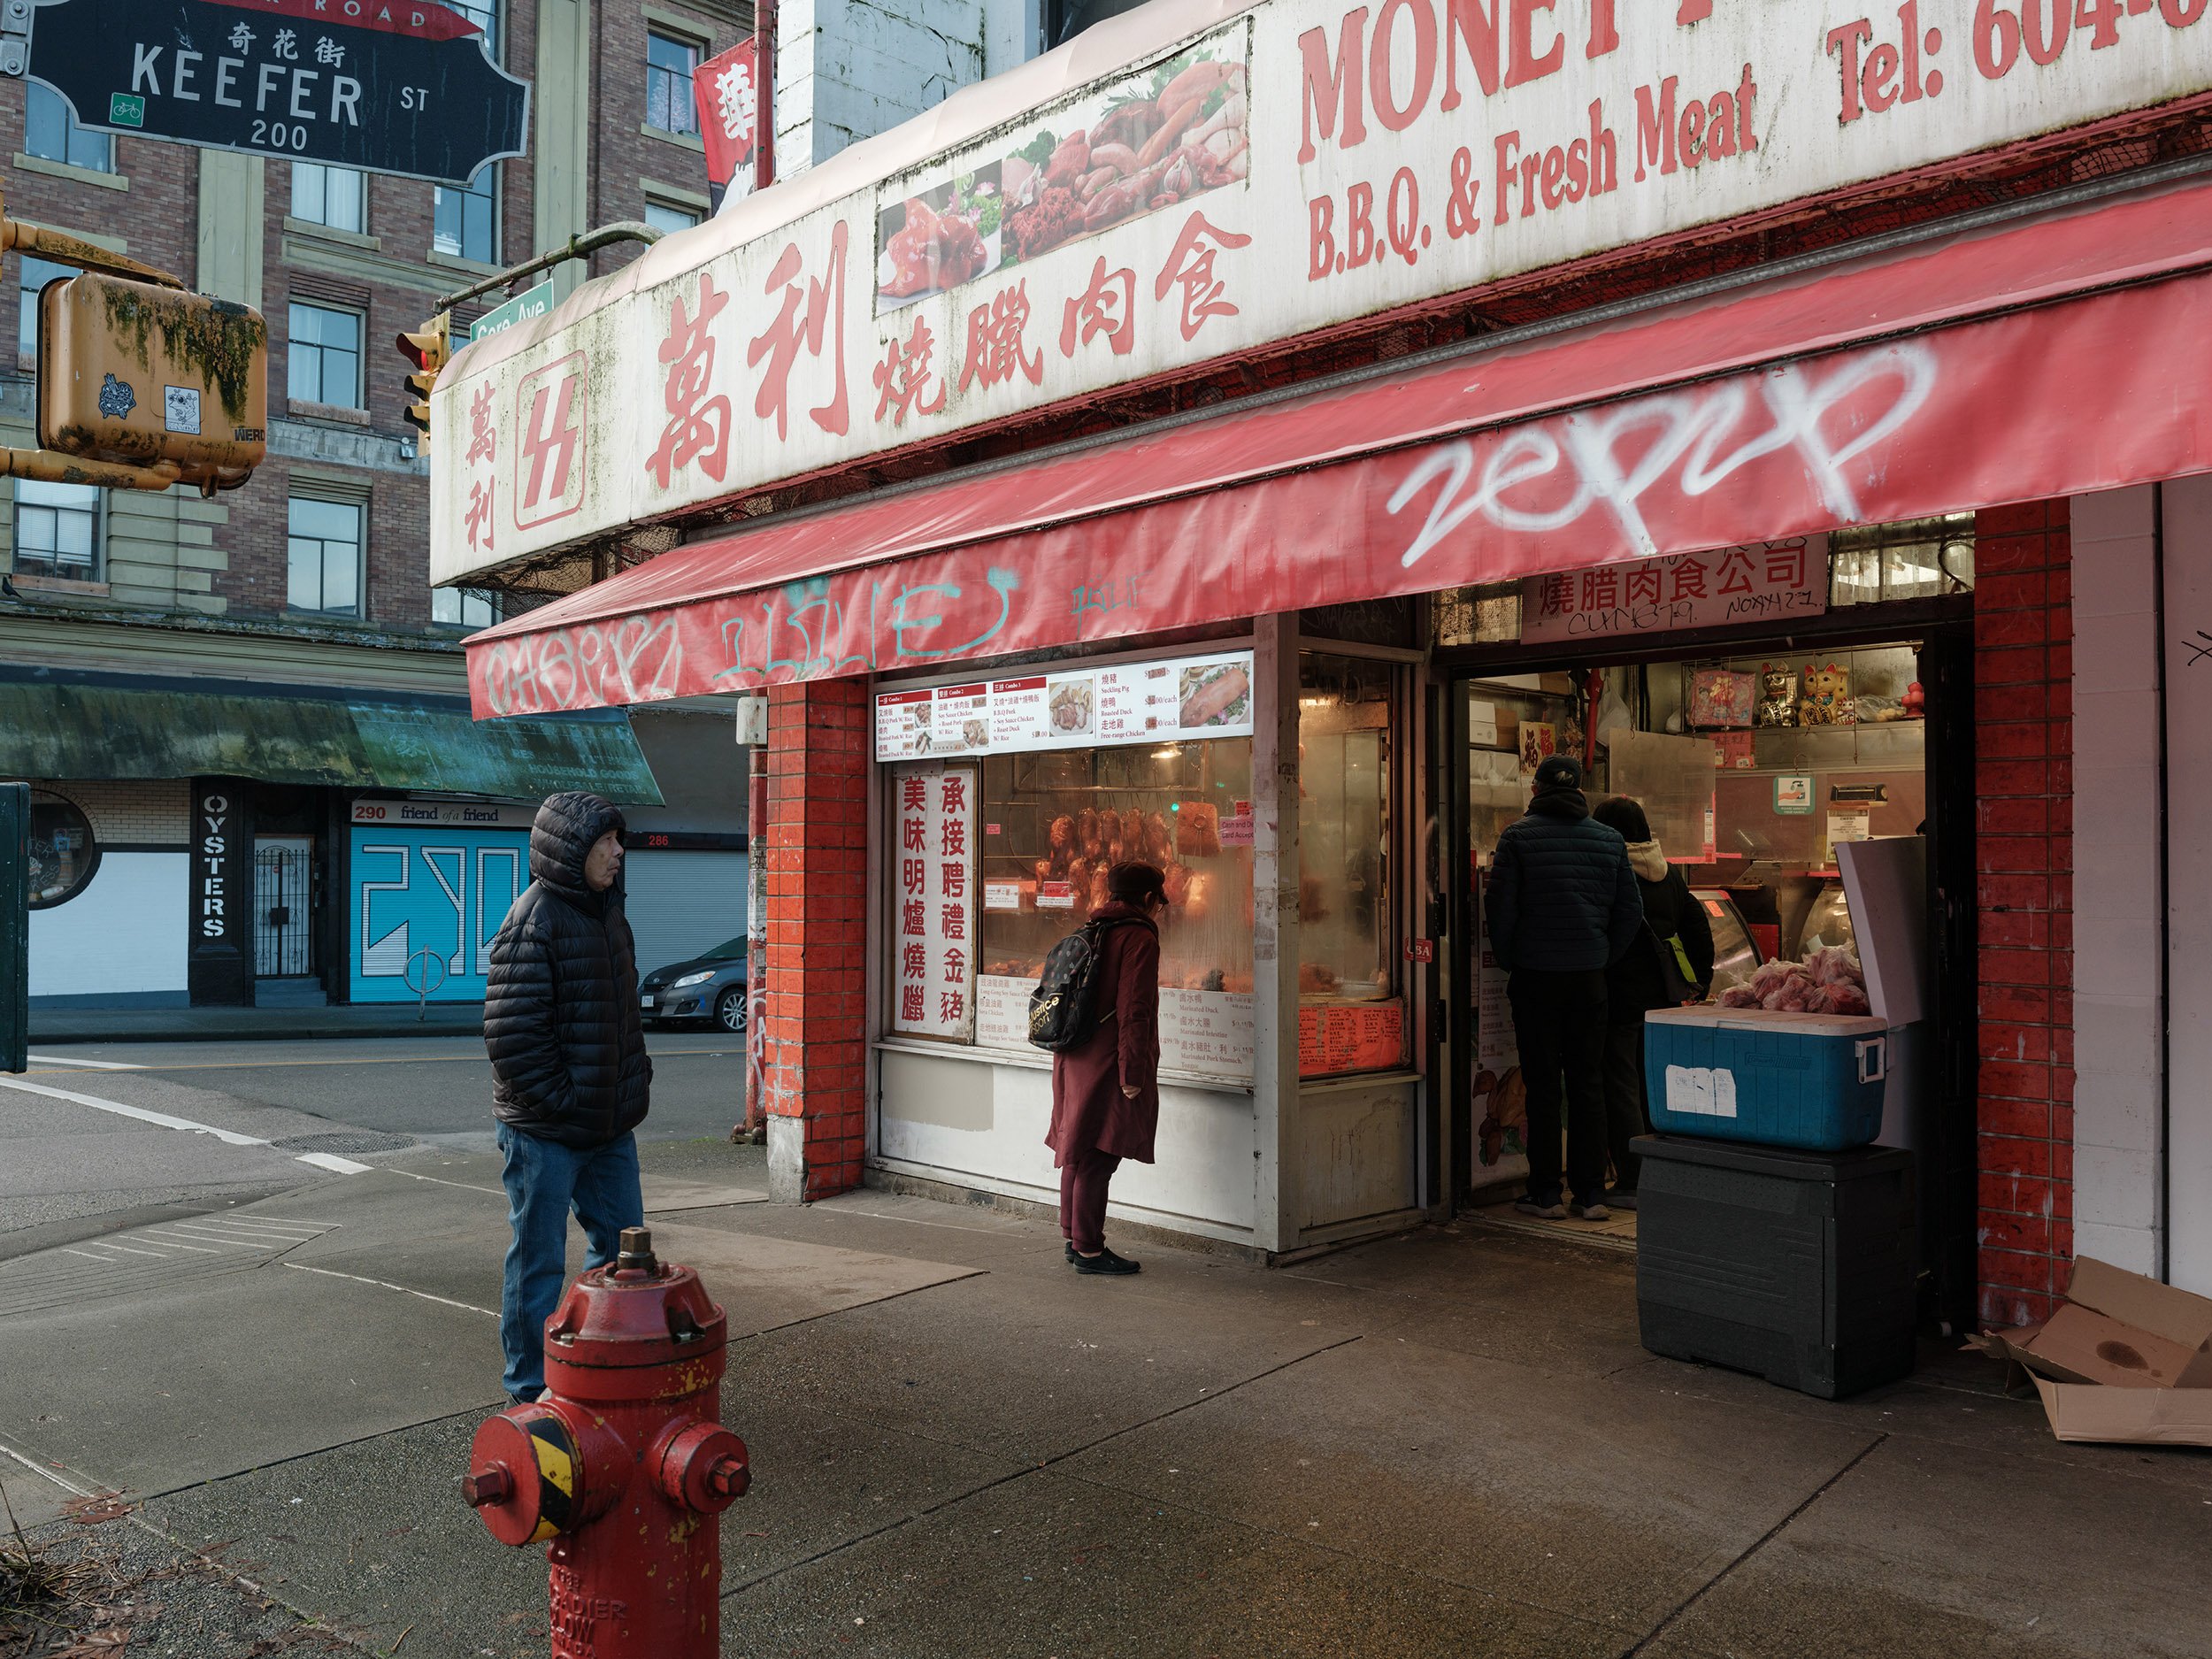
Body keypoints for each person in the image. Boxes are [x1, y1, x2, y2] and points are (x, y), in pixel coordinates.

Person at [483, 792, 652, 1402]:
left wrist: (634, 1083)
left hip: (608, 1130)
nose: (617, 851)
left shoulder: (610, 912)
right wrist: (567, 1101)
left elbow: (623, 1016)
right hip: (545, 1130)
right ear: (573, 849)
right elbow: (511, 1037)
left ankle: (592, 1366)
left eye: (617, 839)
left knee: (622, 1251)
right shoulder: (534, 920)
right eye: (606, 841)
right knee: (537, 1265)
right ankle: (529, 1391)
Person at [1486, 756, 1644, 1222]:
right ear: (1579, 792)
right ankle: (1592, 1194)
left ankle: (1546, 1194)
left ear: (1535, 790)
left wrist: (1516, 958)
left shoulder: (1517, 837)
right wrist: (1600, 955)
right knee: (1587, 1085)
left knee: (1542, 1087)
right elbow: (1628, 913)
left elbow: (1501, 909)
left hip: (1536, 979)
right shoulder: (1609, 839)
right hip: (1588, 981)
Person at [1591, 795, 1715, 1209]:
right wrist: (1699, 980)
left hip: (1619, 994)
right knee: (1650, 1086)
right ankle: (1660, 1173)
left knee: (1621, 1086)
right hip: (1659, 1000)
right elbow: (1697, 924)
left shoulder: (1611, 868)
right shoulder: (1667, 873)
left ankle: (1632, 1180)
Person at [1046, 861, 1166, 1276]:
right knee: (1100, 1152)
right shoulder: (1138, 937)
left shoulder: (1092, 929)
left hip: (1072, 1054)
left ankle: (1073, 1236)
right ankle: (1090, 1250)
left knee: (1077, 1146)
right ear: (1149, 899)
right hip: (1107, 1058)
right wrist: (1133, 1073)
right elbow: (1136, 1010)